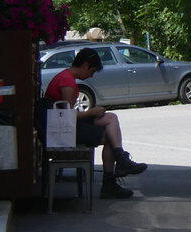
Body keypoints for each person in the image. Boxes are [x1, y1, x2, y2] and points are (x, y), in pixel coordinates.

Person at [44, 48, 147, 200]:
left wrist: (92, 113)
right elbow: (66, 117)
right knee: (110, 138)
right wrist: (91, 113)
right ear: (85, 65)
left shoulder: (64, 76)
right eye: (92, 71)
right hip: (62, 131)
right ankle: (110, 181)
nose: (91, 75)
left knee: (111, 117)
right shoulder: (68, 83)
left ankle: (120, 159)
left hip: (60, 125)